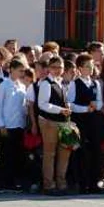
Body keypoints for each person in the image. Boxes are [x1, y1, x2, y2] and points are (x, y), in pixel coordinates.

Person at [67, 54, 104, 194]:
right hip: (80, 121)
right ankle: (82, 183)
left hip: (93, 120)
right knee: (82, 151)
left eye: (92, 66)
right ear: (80, 68)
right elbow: (70, 104)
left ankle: (94, 183)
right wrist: (85, 109)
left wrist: (96, 107)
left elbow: (99, 101)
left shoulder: (96, 83)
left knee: (95, 150)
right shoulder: (74, 84)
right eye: (87, 66)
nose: (90, 69)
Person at [34, 56, 72, 194]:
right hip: (49, 121)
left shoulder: (61, 83)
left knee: (64, 153)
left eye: (60, 67)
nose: (57, 70)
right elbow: (42, 104)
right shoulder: (46, 83)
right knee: (49, 154)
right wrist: (60, 109)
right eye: (54, 67)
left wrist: (66, 107)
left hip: (61, 121)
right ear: (49, 68)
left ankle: (61, 183)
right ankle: (48, 184)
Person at [0, 58, 27, 191]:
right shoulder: (4, 85)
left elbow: (23, 107)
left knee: (15, 155)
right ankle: (0, 181)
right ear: (11, 70)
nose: (22, 73)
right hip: (7, 125)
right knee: (5, 155)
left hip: (18, 125)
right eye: (20, 70)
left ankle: (11, 181)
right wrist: (1, 124)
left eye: (23, 70)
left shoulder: (22, 86)